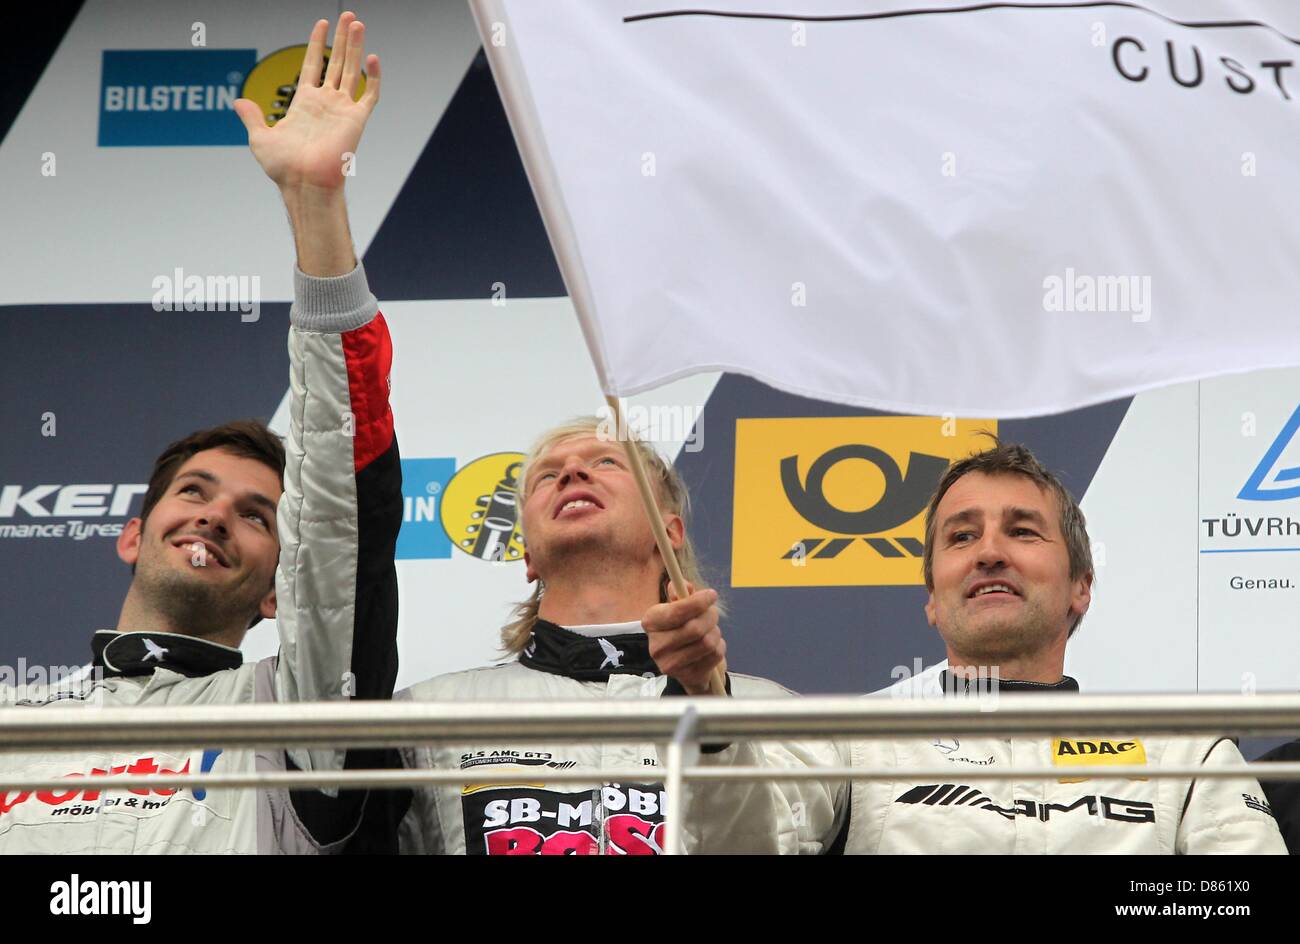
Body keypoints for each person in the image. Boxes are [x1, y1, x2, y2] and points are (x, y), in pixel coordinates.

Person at [0, 13, 400, 853]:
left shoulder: (294, 714)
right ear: (131, 533)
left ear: (276, 591)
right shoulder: (15, 723)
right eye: (194, 493)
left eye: (257, 515)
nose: (216, 516)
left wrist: (316, 206)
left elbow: (339, 514)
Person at [743, 439, 1287, 854]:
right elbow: (740, 843)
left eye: (1023, 531)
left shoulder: (1186, 755)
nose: (989, 553)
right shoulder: (847, 740)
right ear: (932, 598)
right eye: (961, 536)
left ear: (1081, 586)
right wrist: (711, 723)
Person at [352, 417, 799, 855]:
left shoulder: (787, 721)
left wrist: (706, 709)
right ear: (527, 556)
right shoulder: (428, 718)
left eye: (607, 462)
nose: (572, 473)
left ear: (669, 533)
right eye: (548, 475)